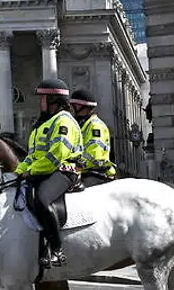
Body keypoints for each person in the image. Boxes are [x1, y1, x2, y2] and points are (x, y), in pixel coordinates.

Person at [14, 76, 81, 268]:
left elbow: (56, 155)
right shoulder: (42, 125)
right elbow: (32, 155)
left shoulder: (63, 122)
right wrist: (18, 171)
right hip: (43, 171)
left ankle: (57, 249)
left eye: (42, 98)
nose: (39, 102)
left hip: (64, 171)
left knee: (42, 200)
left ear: (54, 100)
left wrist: (31, 172)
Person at [69, 88, 118, 186]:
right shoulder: (81, 124)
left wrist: (76, 165)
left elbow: (94, 154)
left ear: (83, 106)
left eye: (74, 105)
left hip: (95, 173)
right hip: (82, 171)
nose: (72, 108)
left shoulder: (96, 126)